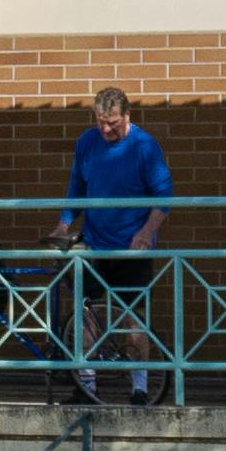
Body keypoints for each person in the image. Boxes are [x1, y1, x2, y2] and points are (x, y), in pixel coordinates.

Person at [63, 87, 174, 403]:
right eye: (101, 122)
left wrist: (146, 232)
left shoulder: (144, 146)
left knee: (133, 317)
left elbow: (163, 196)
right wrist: (65, 223)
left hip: (131, 247)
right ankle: (86, 385)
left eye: (112, 122)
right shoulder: (87, 142)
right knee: (85, 314)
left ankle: (139, 387)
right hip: (96, 243)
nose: (106, 129)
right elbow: (77, 187)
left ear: (127, 116)